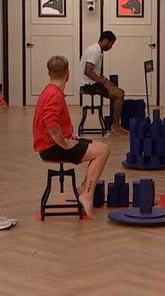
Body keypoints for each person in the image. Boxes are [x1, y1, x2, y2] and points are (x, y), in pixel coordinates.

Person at [33, 55, 110, 219]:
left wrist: (68, 137)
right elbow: (51, 125)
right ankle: (86, 194)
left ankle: (83, 189)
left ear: (49, 73)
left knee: (99, 147)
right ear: (67, 73)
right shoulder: (54, 95)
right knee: (102, 151)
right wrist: (65, 144)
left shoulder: (49, 91)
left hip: (51, 144)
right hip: (52, 148)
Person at [79, 31, 129, 135]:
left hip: (93, 82)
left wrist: (104, 80)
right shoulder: (95, 51)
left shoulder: (96, 50)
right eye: (111, 44)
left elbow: (93, 71)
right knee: (119, 94)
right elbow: (88, 71)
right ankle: (115, 125)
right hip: (89, 85)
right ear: (106, 40)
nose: (111, 47)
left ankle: (116, 124)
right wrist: (103, 81)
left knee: (119, 90)